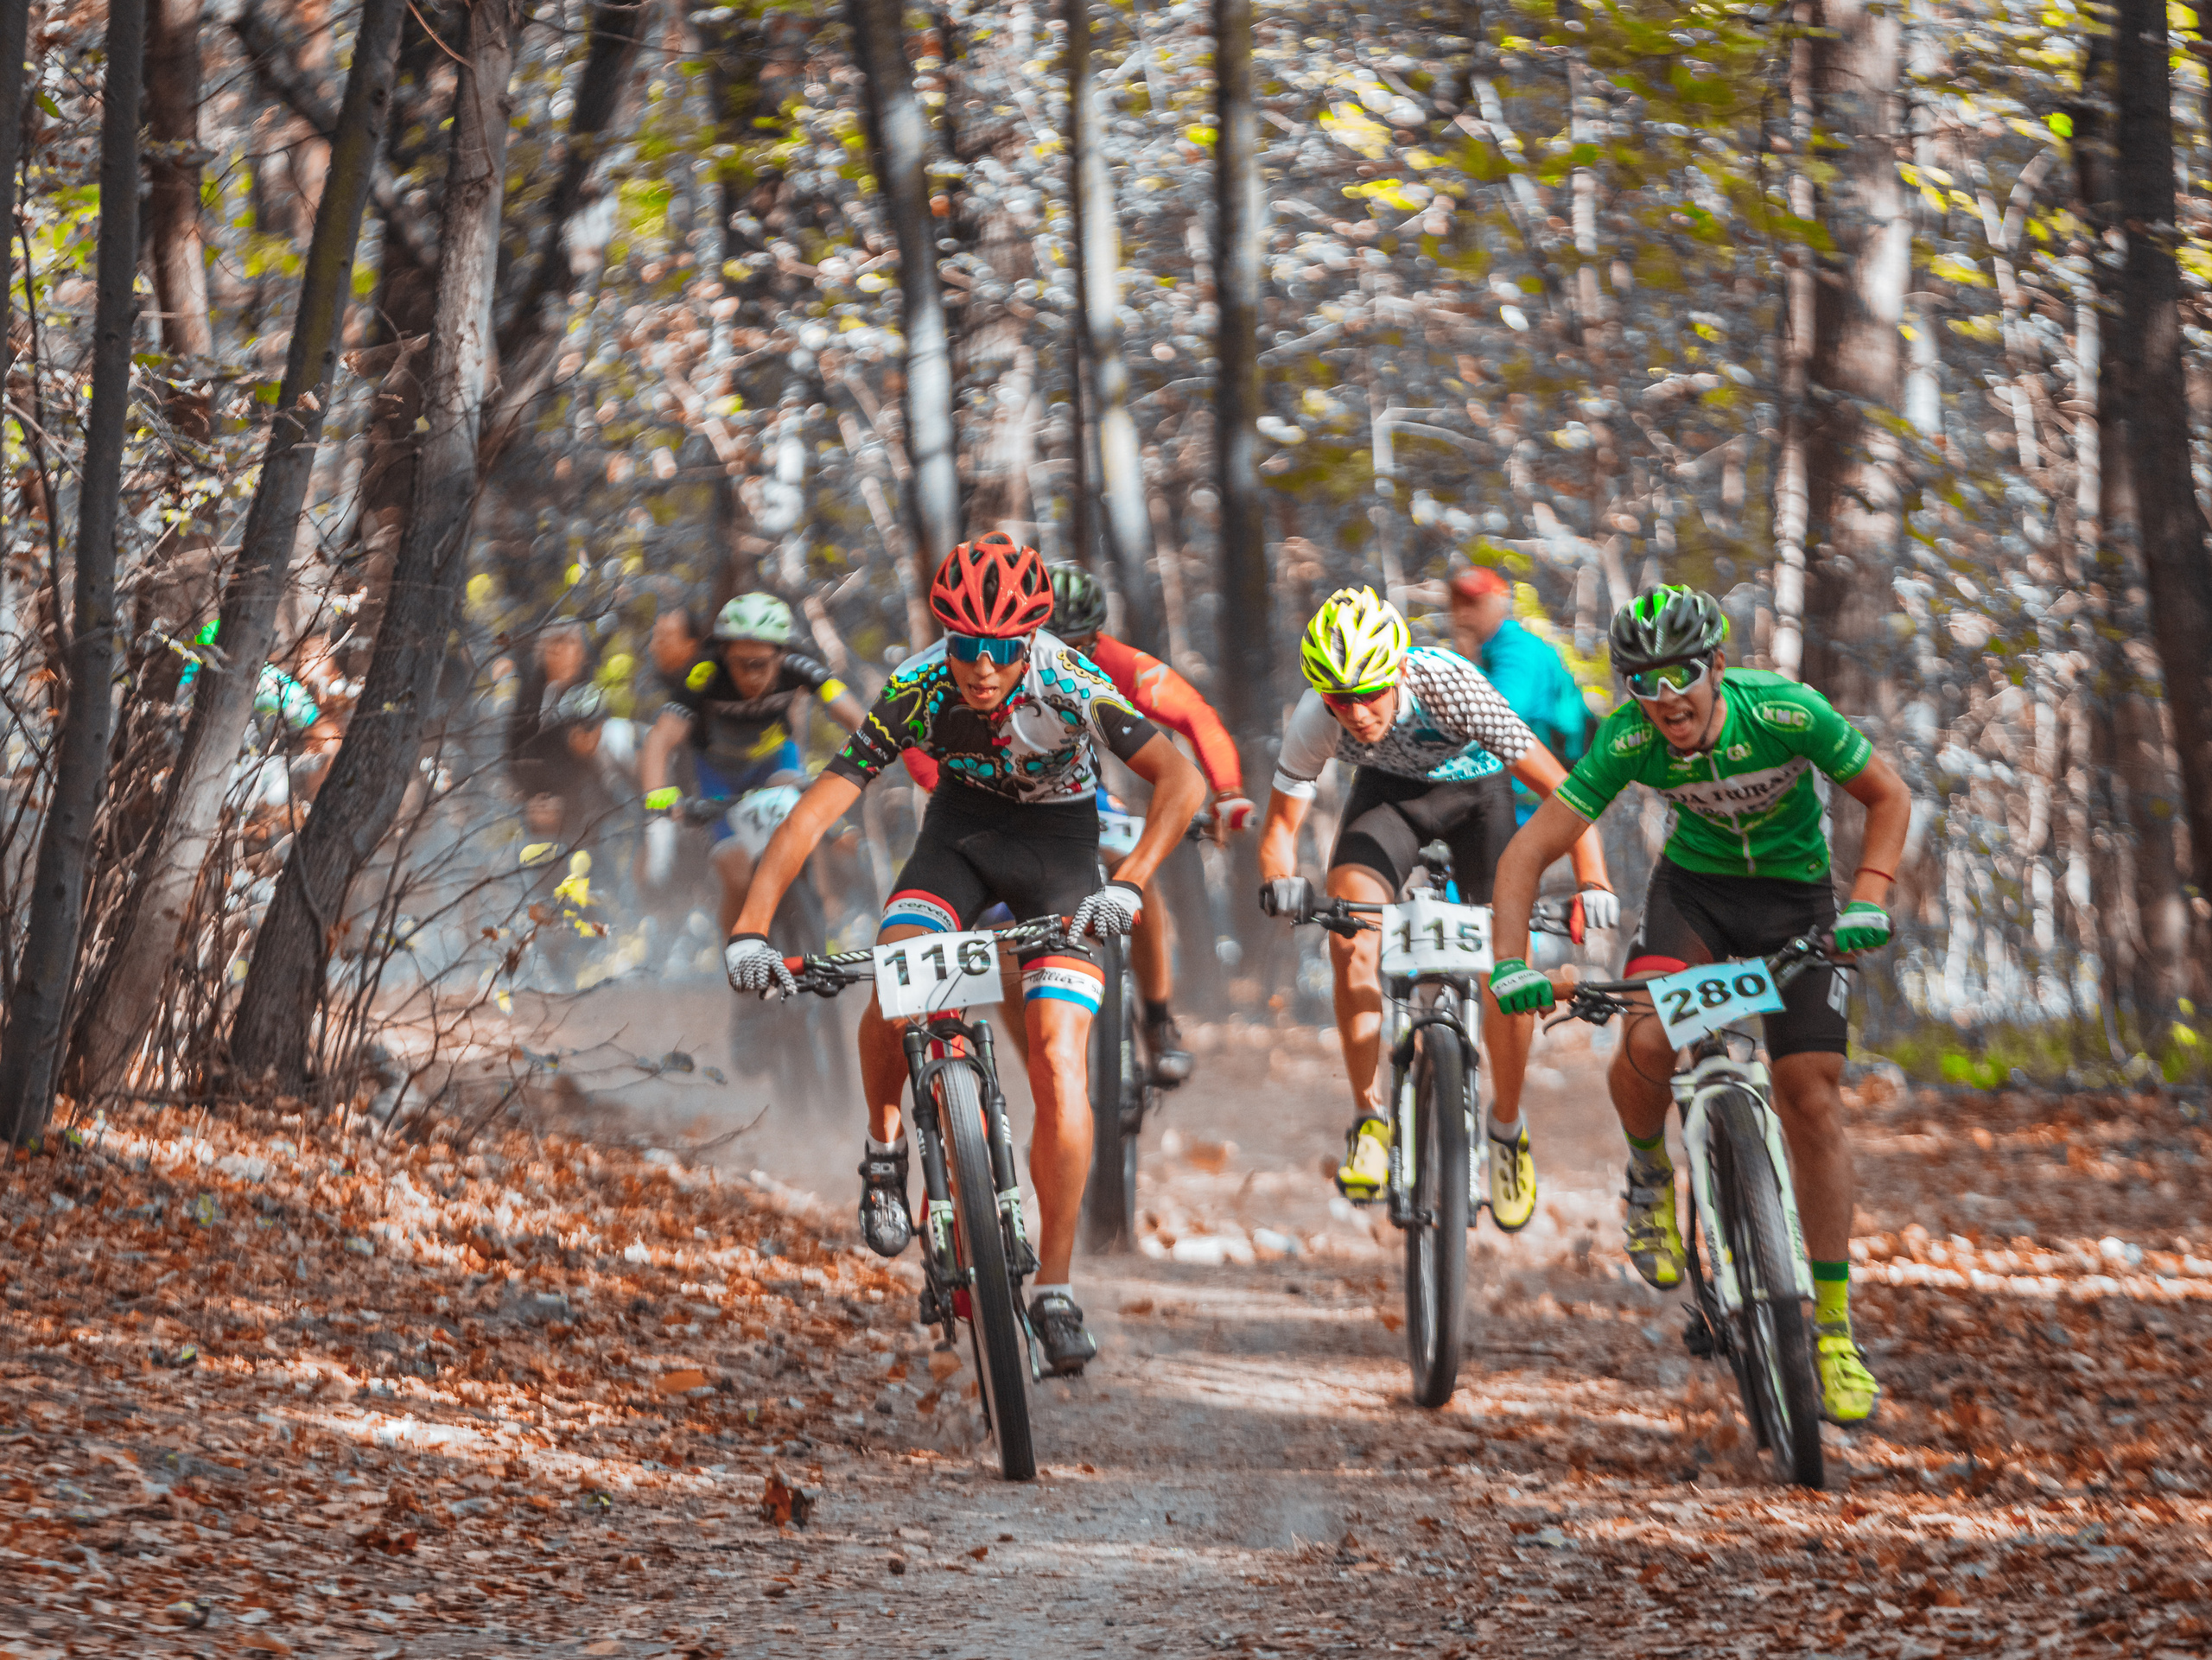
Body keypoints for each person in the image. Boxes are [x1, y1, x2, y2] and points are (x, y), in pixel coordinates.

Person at [723, 533, 1207, 1374]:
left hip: (1058, 851)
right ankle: (884, 1154)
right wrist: (749, 929)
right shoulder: (916, 688)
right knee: (896, 973)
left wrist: (1128, 883)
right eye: (965, 647)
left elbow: (1181, 779)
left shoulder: (1070, 680)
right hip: (961, 839)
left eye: (1001, 649)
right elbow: (814, 812)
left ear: (1029, 642)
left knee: (1057, 1056)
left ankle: (1053, 1288)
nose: (982, 667)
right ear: (944, 638)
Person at [1485, 586, 1912, 1426]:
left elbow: (1887, 795)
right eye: (1644, 681)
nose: (1666, 697)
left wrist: (1868, 897)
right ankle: (1648, 1172)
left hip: (1798, 903)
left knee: (1812, 1096)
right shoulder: (1634, 737)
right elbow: (1526, 854)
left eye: (1681, 674)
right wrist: (1507, 967)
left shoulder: (1786, 714)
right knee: (1647, 1040)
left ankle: (1830, 1333)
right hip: (1698, 903)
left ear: (1717, 665)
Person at [1254, 587, 1616, 1231]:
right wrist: (1280, 880)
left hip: (1479, 796)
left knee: (1509, 966)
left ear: (1397, 669)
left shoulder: (1453, 685)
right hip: (1391, 800)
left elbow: (1567, 792)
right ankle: (1369, 1118)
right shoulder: (1318, 716)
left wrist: (1594, 880)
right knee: (1351, 929)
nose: (1357, 712)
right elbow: (1279, 828)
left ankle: (1505, 1129)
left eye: (1370, 692)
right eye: (1341, 699)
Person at [901, 563, 1252, 1081]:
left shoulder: (1111, 663)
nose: (1068, 655)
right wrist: (954, 792)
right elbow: (914, 743)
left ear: (1099, 638)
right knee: (1000, 928)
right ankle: (1044, 1075)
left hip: (1074, 796)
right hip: (989, 799)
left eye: (1083, 644)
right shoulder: (983, 666)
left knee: (1136, 871)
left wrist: (1228, 791)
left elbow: (1194, 717)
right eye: (1051, 641)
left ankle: (1157, 1018)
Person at [638, 594, 868, 933]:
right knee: (738, 874)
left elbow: (855, 717)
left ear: (781, 654)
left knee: (800, 819)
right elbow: (661, 739)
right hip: (718, 776)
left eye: (760, 663)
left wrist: (865, 761)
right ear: (724, 654)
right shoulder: (705, 672)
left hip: (774, 764)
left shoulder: (799, 664)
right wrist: (657, 796)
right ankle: (737, 957)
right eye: (738, 662)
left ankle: (822, 906)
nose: (749, 674)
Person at [1448, 566, 1594, 824]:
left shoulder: (1517, 647)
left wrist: (1467, 663)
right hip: (1521, 796)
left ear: (1499, 603)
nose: (1463, 613)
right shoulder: (1493, 649)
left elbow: (1499, 714)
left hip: (1533, 802)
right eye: (1456, 604)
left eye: (1473, 603)